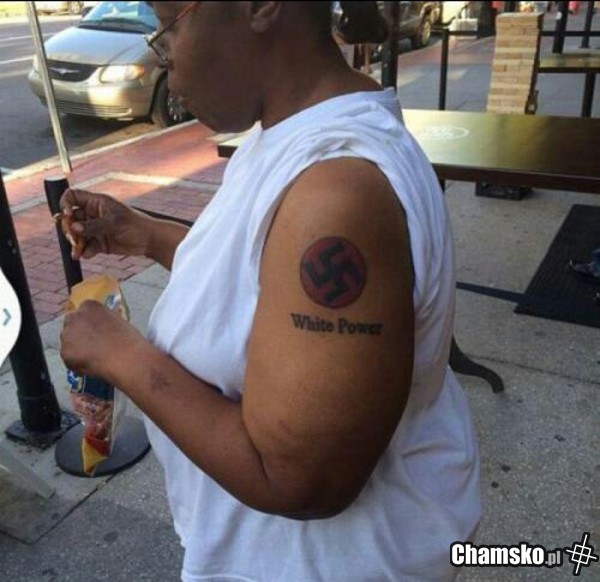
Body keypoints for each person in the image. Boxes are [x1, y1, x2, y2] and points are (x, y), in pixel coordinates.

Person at [59, 1, 481, 580]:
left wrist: (120, 355)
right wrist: (148, 235)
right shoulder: (289, 132)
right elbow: (261, 282)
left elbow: (298, 480)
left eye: (168, 25)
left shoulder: (337, 196)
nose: (162, 60)